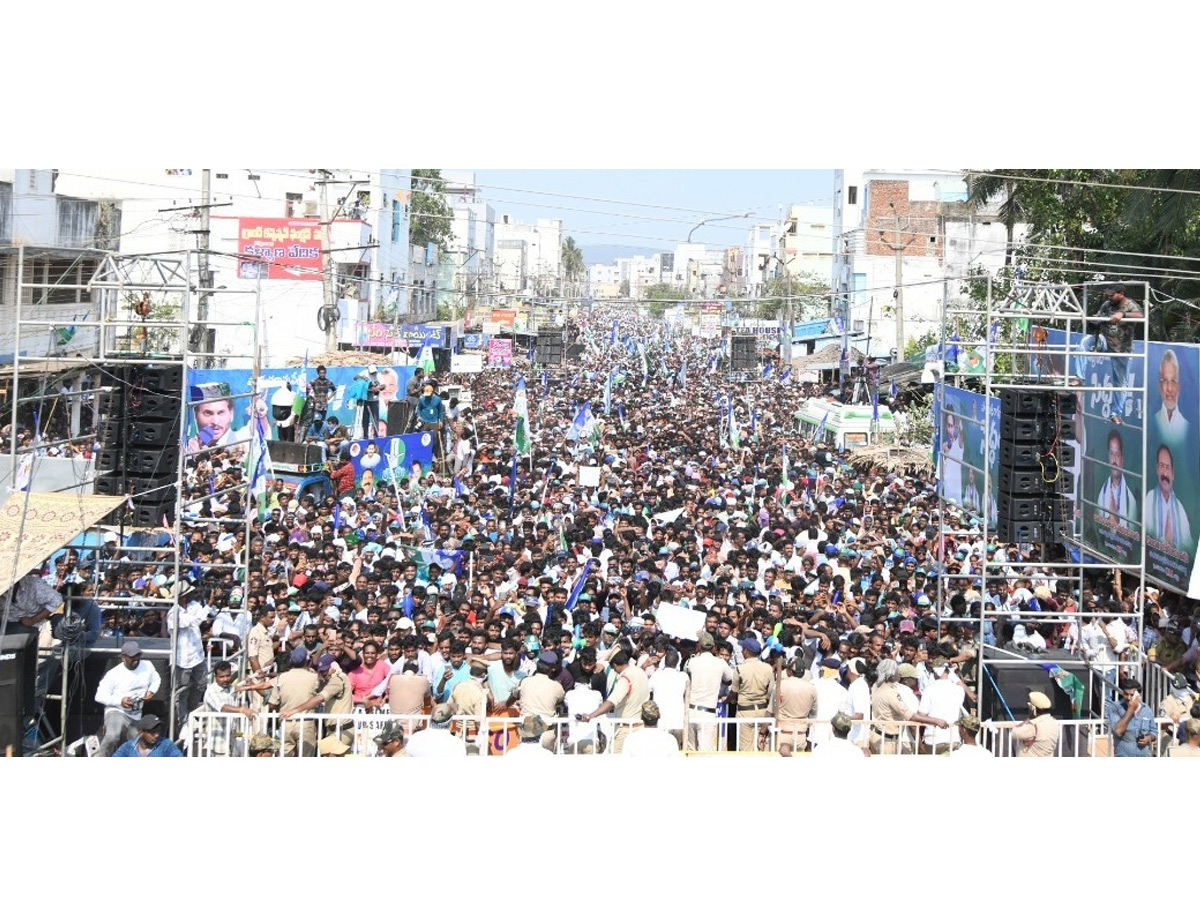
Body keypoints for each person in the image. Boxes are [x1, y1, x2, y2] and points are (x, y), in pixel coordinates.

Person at [1078, 283, 1143, 422]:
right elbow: (1098, 317)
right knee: (1084, 343)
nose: (1109, 297)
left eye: (1112, 295)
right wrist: (1094, 321)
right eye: (1108, 295)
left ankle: (1115, 413)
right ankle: (1079, 378)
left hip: (1121, 347)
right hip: (1105, 340)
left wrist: (1123, 314)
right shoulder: (1107, 305)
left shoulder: (1129, 304)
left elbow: (1140, 315)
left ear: (1121, 294)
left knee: (1120, 382)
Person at [94, 640, 162, 757]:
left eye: (138, 656)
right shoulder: (114, 674)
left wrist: (151, 691)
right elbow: (99, 696)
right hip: (117, 710)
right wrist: (120, 701)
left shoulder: (147, 666)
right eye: (132, 657)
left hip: (135, 715)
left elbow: (156, 679)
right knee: (112, 735)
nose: (136, 659)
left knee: (137, 744)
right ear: (123, 657)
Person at [579, 650, 650, 754]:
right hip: (641, 726)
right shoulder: (640, 672)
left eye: (612, 668)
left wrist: (591, 715)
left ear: (615, 665)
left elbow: (612, 701)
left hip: (626, 730)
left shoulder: (626, 677)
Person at [166, 582, 210, 733]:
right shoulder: (173, 613)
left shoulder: (194, 607)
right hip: (182, 659)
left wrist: (208, 606)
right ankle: (183, 722)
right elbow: (188, 622)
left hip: (197, 655)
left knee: (201, 685)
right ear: (182, 596)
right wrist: (207, 606)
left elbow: (201, 619)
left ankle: (191, 713)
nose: (194, 594)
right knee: (181, 692)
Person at [684, 632, 730, 752]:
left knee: (690, 751)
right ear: (714, 646)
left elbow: (686, 675)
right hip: (707, 713)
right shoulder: (721, 663)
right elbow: (729, 680)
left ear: (699, 645)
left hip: (691, 711)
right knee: (705, 754)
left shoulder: (691, 662)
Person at [1144, 444, 1192, 551]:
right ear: (1157, 469)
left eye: (1167, 467)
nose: (1165, 473)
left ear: (1173, 474)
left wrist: (1173, 546)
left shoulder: (1180, 510)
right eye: (1161, 466)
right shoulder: (1149, 499)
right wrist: (1165, 541)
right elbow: (1144, 540)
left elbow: (1189, 551)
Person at [730, 637, 773, 751]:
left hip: (745, 712)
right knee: (761, 746)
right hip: (762, 711)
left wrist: (728, 700)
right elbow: (770, 692)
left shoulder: (739, 668)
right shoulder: (768, 668)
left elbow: (734, 692)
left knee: (745, 749)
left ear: (746, 651)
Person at [917, 659, 966, 754]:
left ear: (934, 672)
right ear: (948, 671)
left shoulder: (929, 690)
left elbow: (922, 714)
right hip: (954, 737)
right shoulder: (959, 690)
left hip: (933, 738)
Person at [1095, 429, 1137, 531]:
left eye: (1117, 455)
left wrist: (1115, 522)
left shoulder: (1131, 499)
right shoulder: (1101, 494)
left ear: (1122, 459)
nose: (1114, 460)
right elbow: (1098, 529)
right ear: (1108, 456)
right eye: (1111, 454)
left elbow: (1133, 538)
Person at [775, 656, 817, 755]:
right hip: (800, 735)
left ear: (789, 671)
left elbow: (771, 711)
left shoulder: (780, 685)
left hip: (782, 734)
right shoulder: (811, 688)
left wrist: (762, 732)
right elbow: (814, 712)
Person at [1108, 677, 1157, 758]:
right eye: (1126, 694)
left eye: (1132, 695)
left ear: (1138, 695)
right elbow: (1118, 731)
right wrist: (1131, 709)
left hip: (1144, 755)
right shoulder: (1115, 707)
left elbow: (1154, 732)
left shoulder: (1146, 709)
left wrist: (1149, 738)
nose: (1128, 698)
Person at [1154, 349, 1189, 445]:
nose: (1169, 388)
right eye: (1165, 381)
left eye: (1173, 381)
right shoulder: (1153, 421)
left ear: (1179, 386)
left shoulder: (1186, 426)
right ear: (1159, 386)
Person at [1011, 690, 1059, 757]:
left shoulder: (1032, 727)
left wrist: (1030, 717)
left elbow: (1014, 733)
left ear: (1033, 708)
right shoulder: (1054, 723)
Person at [112, 714, 183, 758]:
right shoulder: (128, 747)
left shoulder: (167, 745)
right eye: (152, 732)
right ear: (141, 732)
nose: (157, 735)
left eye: (158, 731)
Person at [416, 380, 446, 463]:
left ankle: (432, 455)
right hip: (424, 421)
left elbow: (441, 411)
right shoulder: (422, 399)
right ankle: (423, 455)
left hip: (434, 422)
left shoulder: (438, 399)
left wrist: (441, 421)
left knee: (434, 440)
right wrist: (418, 416)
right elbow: (419, 408)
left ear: (432, 392)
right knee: (423, 438)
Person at [941, 405, 964, 506]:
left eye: (952, 426)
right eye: (948, 425)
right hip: (946, 490)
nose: (950, 429)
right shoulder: (944, 445)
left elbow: (961, 436)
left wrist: (961, 430)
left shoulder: (958, 443)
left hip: (957, 492)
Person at [304, 365, 337, 434]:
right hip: (317, 404)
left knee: (323, 420)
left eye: (324, 373)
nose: (322, 374)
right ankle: (313, 434)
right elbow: (307, 389)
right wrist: (312, 398)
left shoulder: (328, 382)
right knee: (316, 420)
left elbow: (334, 390)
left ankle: (321, 435)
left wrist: (329, 397)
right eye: (321, 373)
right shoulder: (314, 381)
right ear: (318, 373)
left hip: (324, 404)